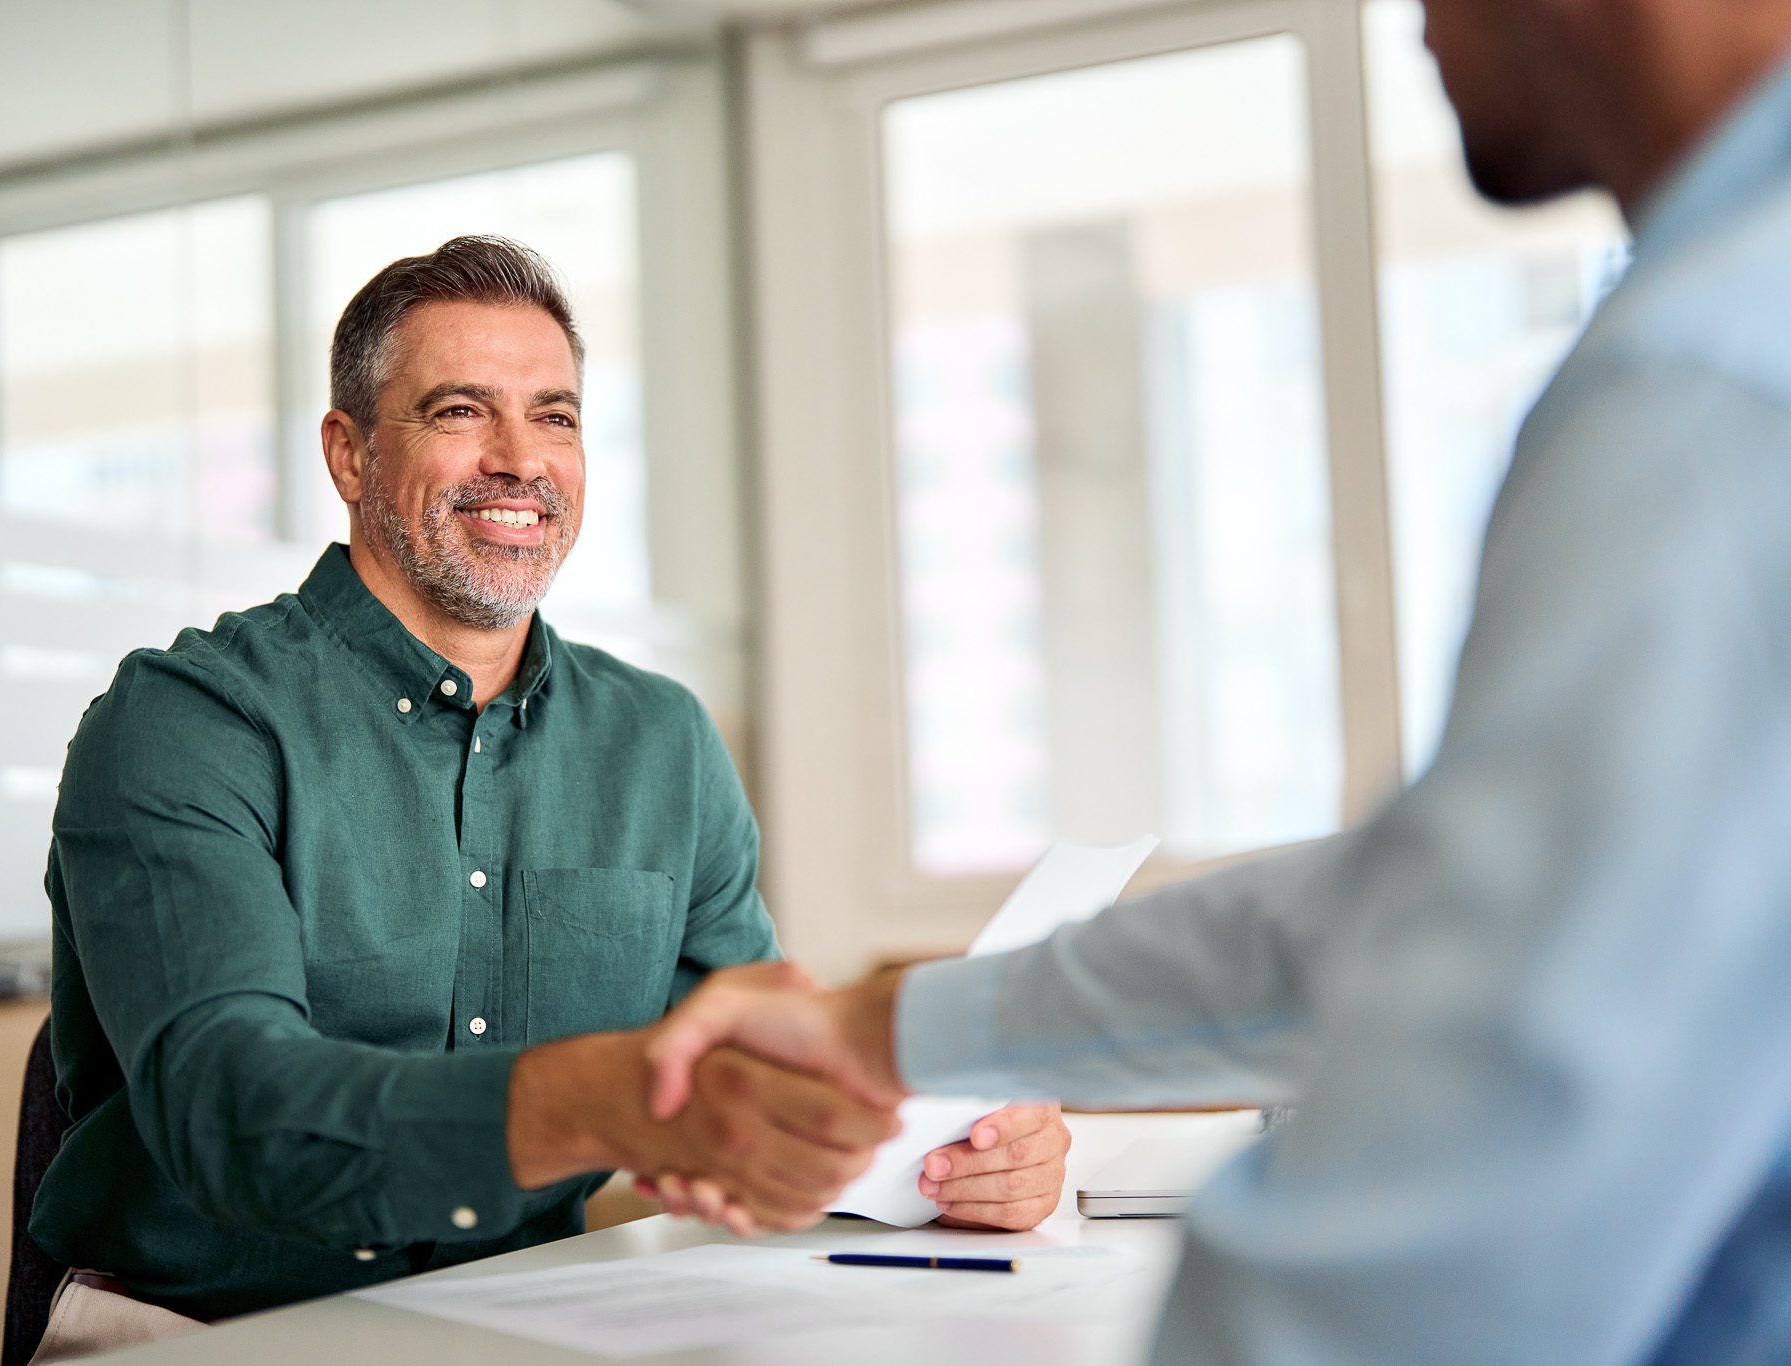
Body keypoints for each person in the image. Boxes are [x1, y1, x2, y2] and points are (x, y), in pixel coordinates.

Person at [643, 1, 1791, 1360]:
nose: (1409, 27)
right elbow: (1414, 912)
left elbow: (1446, 1224)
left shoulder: (1707, 381)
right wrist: (897, 1026)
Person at [28, 236, 1066, 1359]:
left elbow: (755, 1082)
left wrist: (951, 1152)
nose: (520, 460)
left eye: (556, 416)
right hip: (203, 1331)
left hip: (530, 1313)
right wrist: (596, 1097)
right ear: (350, 453)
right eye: (460, 411)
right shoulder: (187, 722)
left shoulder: (659, 741)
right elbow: (231, 1114)